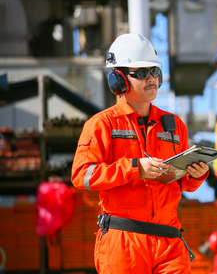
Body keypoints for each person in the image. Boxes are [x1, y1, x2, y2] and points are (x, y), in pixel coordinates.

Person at [71, 33, 209, 274]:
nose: (152, 79)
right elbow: (81, 175)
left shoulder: (175, 125)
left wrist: (196, 175)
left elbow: (183, 184)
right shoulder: (102, 125)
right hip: (123, 243)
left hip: (169, 244)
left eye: (155, 72)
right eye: (142, 73)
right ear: (119, 79)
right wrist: (136, 168)